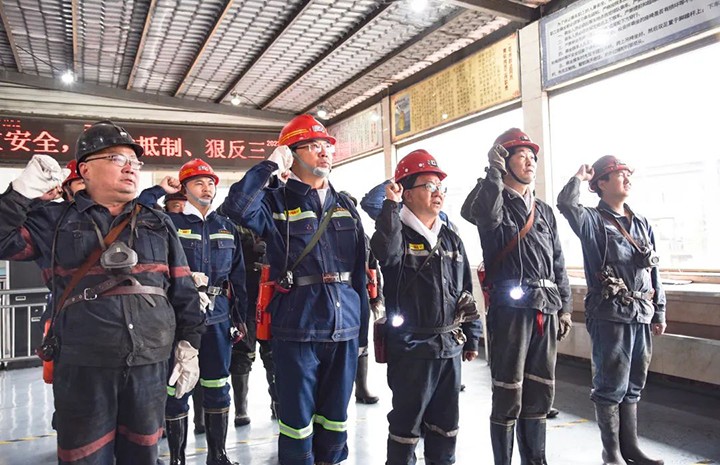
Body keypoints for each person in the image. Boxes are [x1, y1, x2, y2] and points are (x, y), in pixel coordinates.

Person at [0, 120, 204, 465]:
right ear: (85, 169)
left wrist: (190, 344)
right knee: (85, 457)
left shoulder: (157, 221)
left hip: (149, 365)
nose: (130, 168)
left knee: (143, 455)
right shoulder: (52, 220)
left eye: (134, 162)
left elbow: (182, 287)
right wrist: (19, 193)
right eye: (117, 159)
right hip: (83, 367)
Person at [220, 114, 369, 465]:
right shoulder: (275, 202)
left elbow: (358, 274)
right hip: (298, 326)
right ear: (291, 153)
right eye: (313, 146)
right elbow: (235, 208)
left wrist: (362, 331)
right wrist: (270, 165)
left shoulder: (345, 206)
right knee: (297, 423)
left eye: (326, 145)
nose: (324, 152)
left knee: (336, 418)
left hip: (344, 326)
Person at [464, 128, 572, 465]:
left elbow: (558, 261)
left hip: (546, 308)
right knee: (508, 392)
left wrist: (566, 308)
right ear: (504, 161)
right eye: (521, 156)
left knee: (540, 391)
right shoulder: (494, 201)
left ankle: (535, 460)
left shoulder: (544, 211)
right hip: (510, 311)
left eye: (532, 157)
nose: (530, 162)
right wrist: (493, 174)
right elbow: (484, 215)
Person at [370, 150, 481, 465]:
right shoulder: (397, 233)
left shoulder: (451, 238)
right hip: (411, 349)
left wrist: (472, 335)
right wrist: (390, 206)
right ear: (406, 193)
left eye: (440, 187)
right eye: (429, 186)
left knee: (446, 426)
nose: (437, 193)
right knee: (407, 426)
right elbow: (386, 252)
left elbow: (465, 290)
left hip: (449, 346)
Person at [557, 156, 666, 465]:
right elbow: (566, 204)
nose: (627, 179)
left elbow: (654, 271)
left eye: (628, 174)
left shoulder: (641, 222)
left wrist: (659, 311)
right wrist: (578, 178)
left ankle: (630, 448)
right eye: (619, 174)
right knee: (610, 385)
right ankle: (611, 453)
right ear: (601, 184)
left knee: (633, 384)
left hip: (641, 312)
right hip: (611, 314)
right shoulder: (592, 221)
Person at [138, 160, 247, 465]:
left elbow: (238, 278)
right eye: (198, 183)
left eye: (211, 182)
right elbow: (137, 210)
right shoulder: (167, 223)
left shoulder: (226, 227)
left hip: (219, 318)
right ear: (184, 189)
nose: (207, 188)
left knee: (217, 386)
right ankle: (177, 459)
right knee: (177, 386)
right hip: (178, 318)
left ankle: (218, 455)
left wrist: (241, 319)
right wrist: (160, 189)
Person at [230, 225, 279, 426]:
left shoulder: (272, 219)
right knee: (242, 353)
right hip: (244, 296)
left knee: (273, 354)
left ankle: (278, 402)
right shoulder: (230, 221)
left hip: (271, 296)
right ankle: (241, 409)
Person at [339, 191, 381, 405]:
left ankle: (361, 388)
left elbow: (373, 267)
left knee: (362, 341)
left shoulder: (363, 236)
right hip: (340, 294)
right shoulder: (330, 232)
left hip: (361, 293)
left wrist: (377, 296)